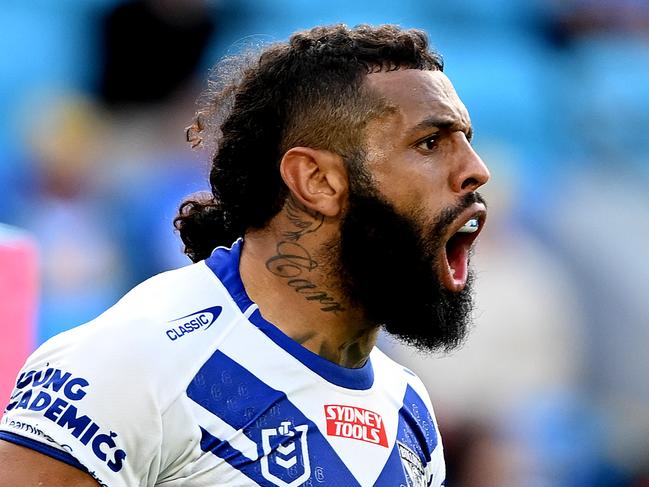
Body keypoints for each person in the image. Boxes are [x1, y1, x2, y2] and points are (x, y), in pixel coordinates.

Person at [0, 24, 490, 487]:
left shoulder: (409, 410)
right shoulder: (139, 361)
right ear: (317, 181)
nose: (477, 170)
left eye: (466, 141)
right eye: (430, 143)